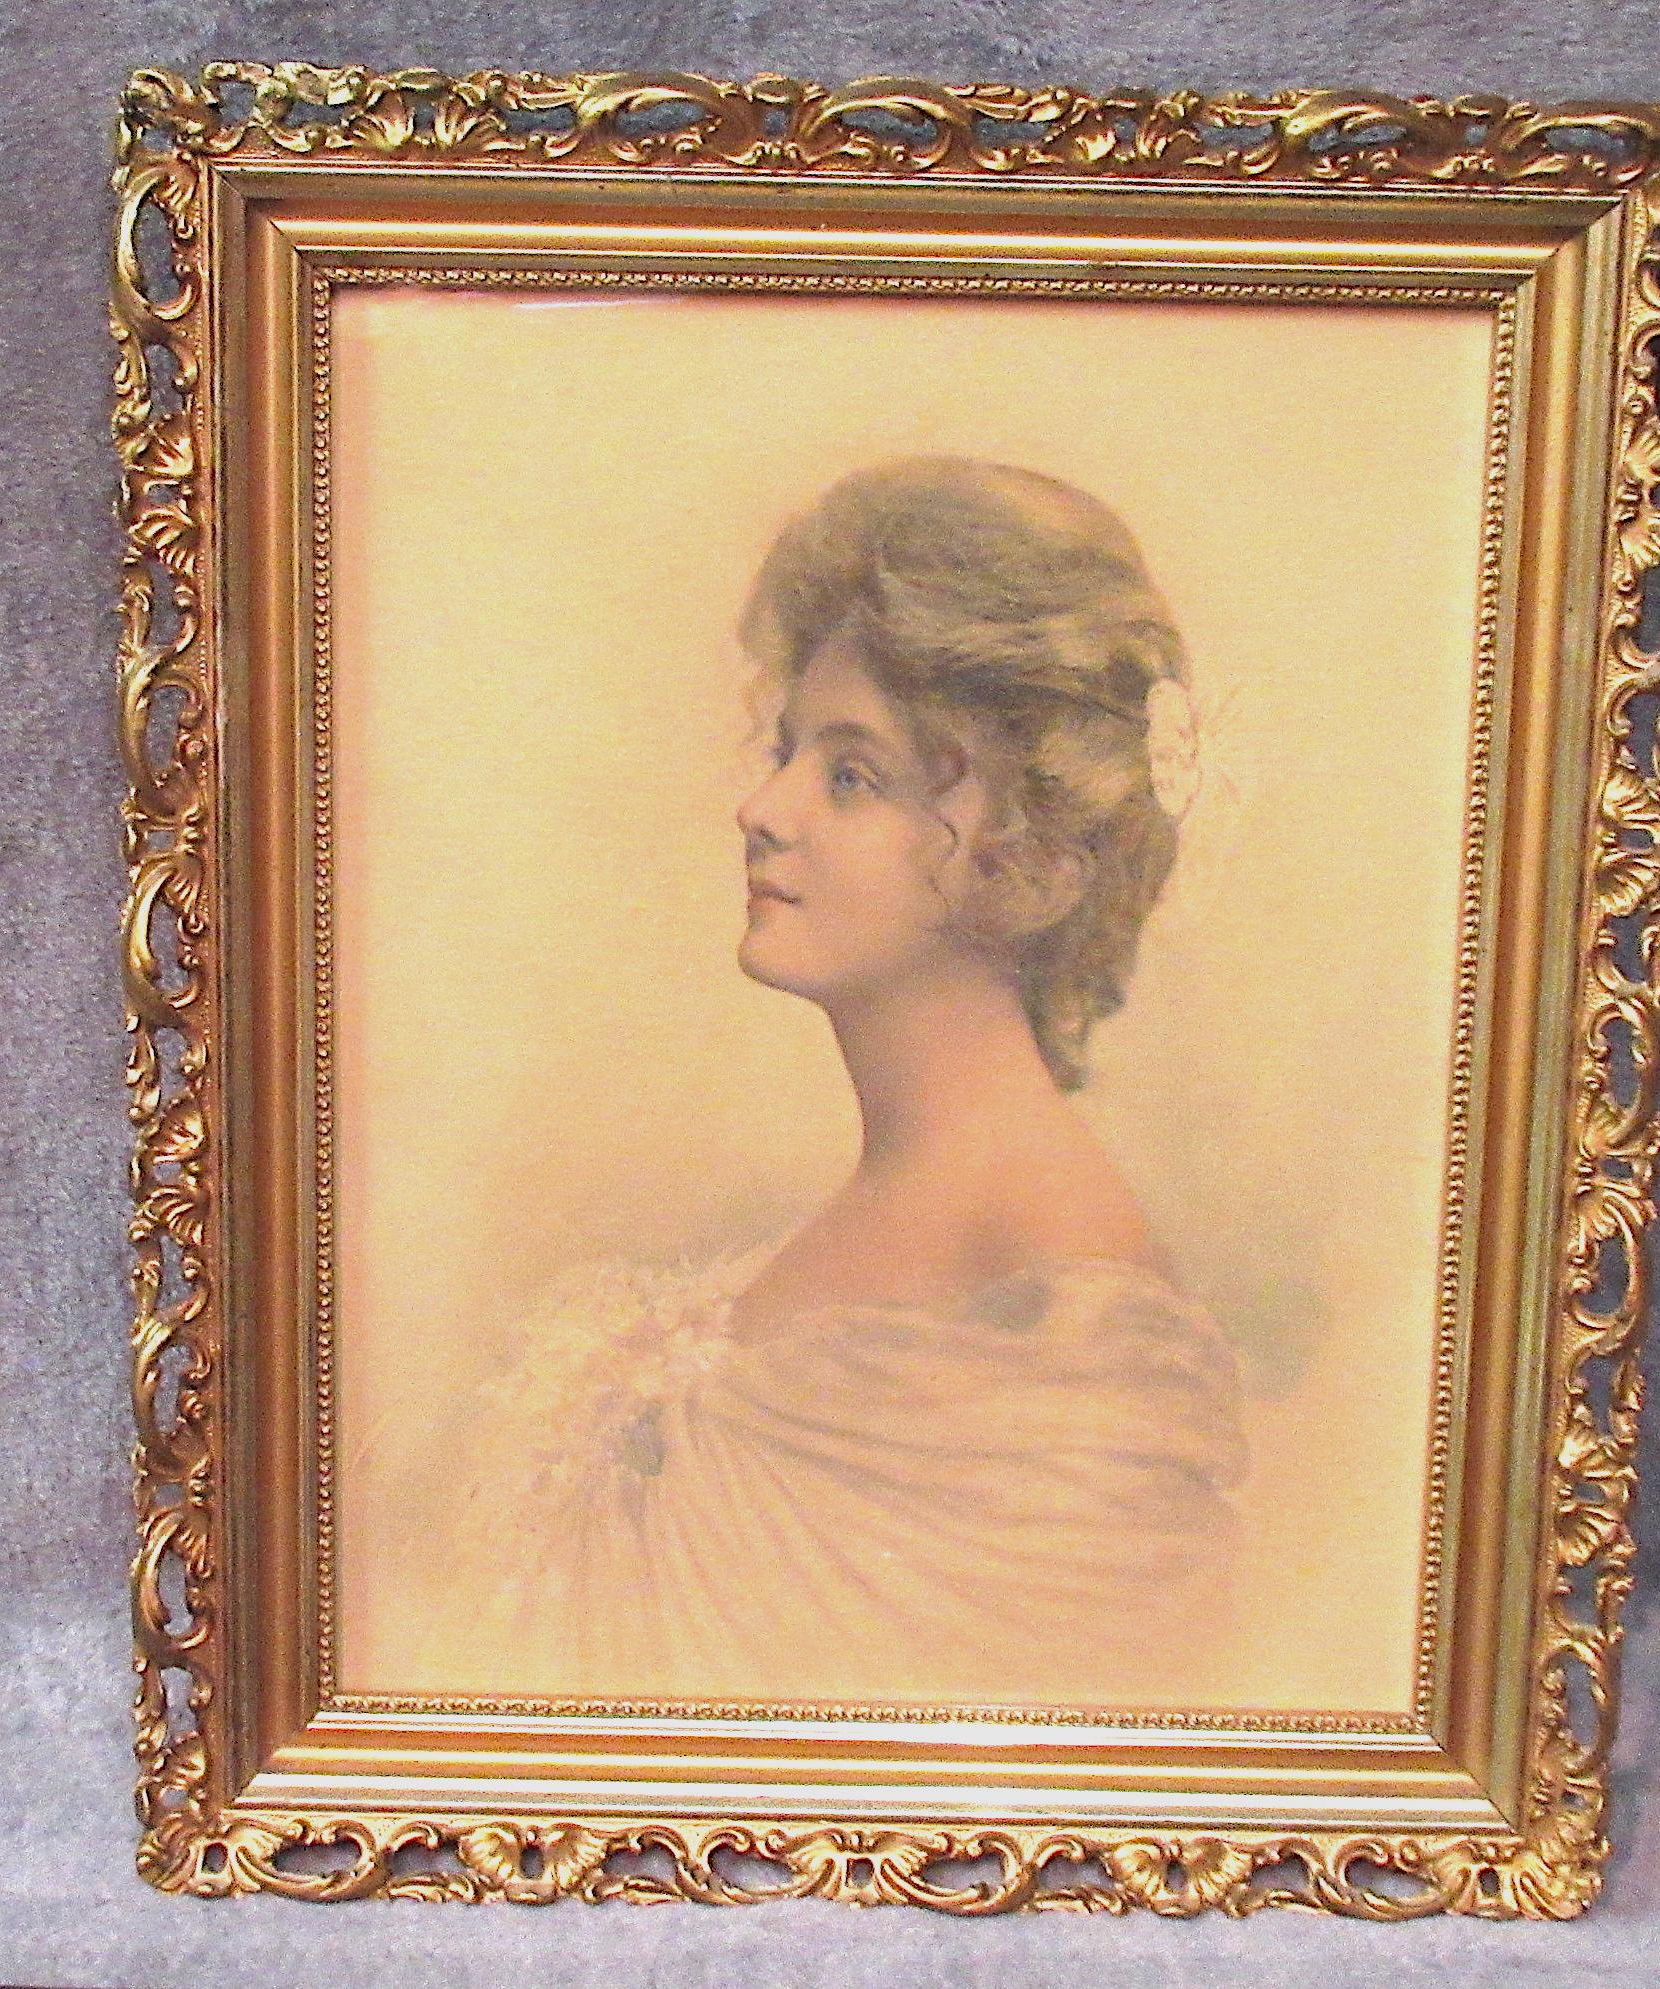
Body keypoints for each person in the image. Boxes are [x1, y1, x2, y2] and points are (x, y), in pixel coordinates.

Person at [422, 457, 1245, 1710]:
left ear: (1025, 855)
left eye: (850, 775)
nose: (762, 808)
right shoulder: (906, 1184)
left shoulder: (1054, 1254)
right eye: (786, 750)